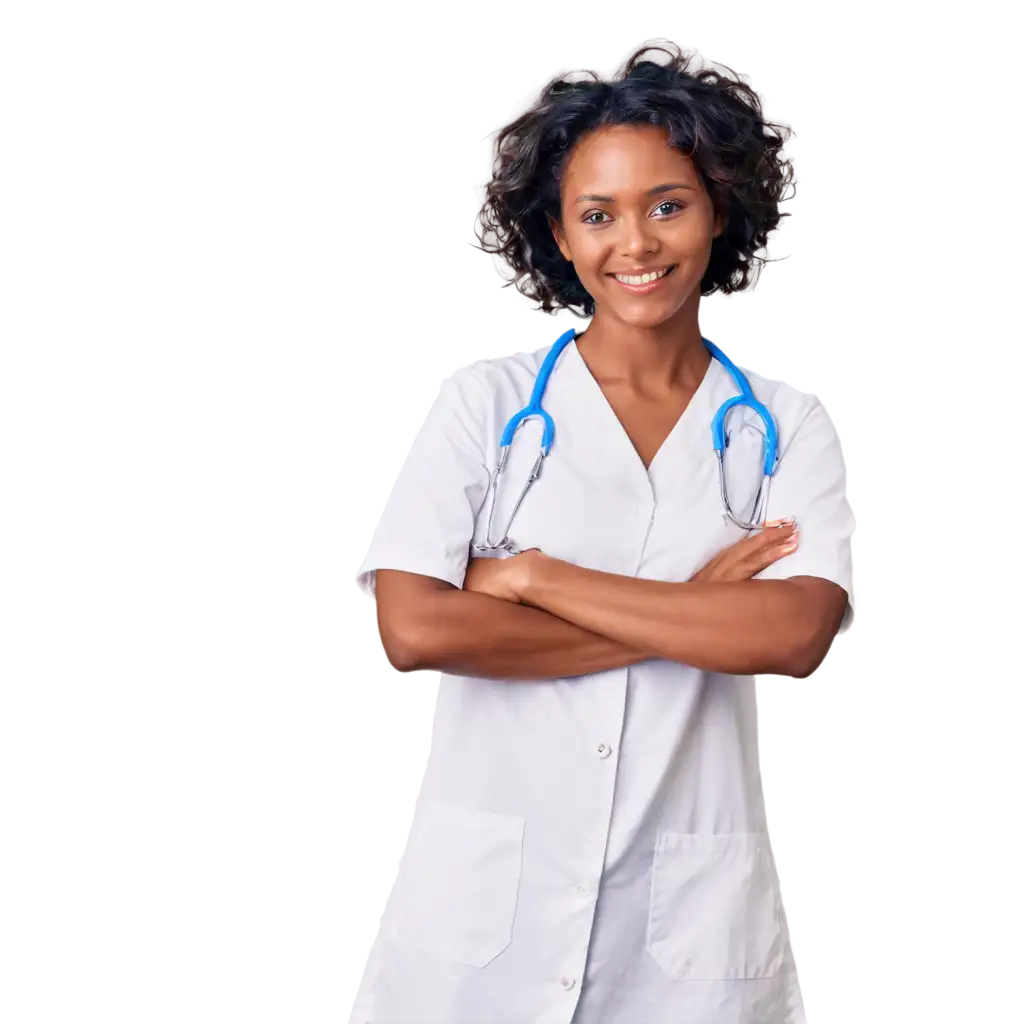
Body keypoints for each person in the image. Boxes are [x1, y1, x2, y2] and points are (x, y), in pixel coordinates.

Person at [347, 47, 856, 1024]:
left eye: (668, 204)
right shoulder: (481, 402)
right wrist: (697, 611)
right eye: (599, 213)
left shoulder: (783, 421)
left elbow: (791, 635)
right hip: (480, 940)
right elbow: (414, 631)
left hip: (686, 941)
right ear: (558, 234)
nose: (638, 243)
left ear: (717, 210)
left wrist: (530, 574)